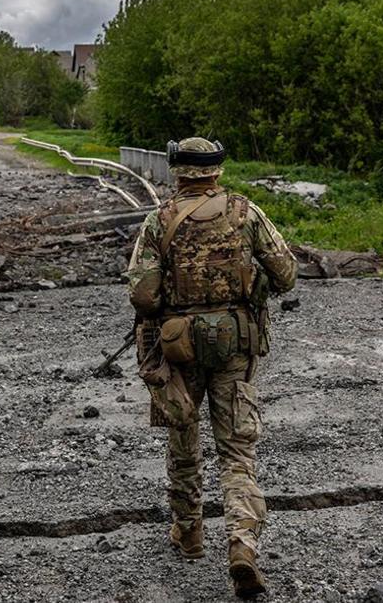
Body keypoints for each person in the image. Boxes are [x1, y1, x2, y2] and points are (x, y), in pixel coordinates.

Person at [126, 137, 297, 598]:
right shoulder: (246, 213)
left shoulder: (159, 220)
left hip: (179, 348)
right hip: (236, 345)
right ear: (217, 172)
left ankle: (190, 532)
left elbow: (142, 296)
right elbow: (285, 273)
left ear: (177, 173)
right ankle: (241, 543)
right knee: (237, 451)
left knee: (184, 437)